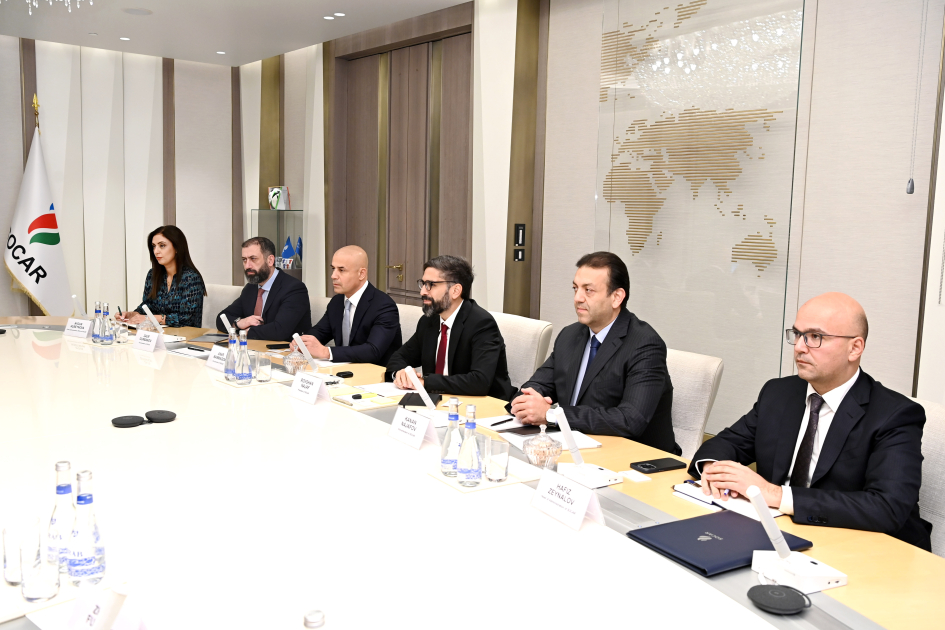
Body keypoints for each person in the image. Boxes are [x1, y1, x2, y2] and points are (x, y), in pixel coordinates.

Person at [691, 292, 931, 550]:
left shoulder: (895, 415)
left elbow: (886, 508)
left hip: (865, 549)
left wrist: (774, 494)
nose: (799, 347)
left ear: (855, 348)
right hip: (778, 534)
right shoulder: (779, 393)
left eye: (815, 337)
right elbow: (727, 444)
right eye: (797, 334)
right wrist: (715, 471)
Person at [510, 252, 676, 453]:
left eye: (588, 290)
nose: (577, 298)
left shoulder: (645, 345)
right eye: (575, 288)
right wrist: (529, 401)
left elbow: (630, 420)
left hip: (634, 457)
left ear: (616, 297)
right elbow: (539, 384)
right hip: (576, 446)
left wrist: (552, 415)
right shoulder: (570, 335)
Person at [386, 255, 512, 400]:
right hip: (438, 400)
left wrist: (425, 382)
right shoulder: (429, 321)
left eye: (431, 284)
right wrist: (400, 373)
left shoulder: (482, 324)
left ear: (455, 291)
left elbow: (479, 381)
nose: (423, 292)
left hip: (483, 405)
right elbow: (400, 357)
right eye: (423, 283)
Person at [290, 245, 402, 364]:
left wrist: (326, 352)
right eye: (333, 269)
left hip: (375, 372)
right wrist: (302, 342)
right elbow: (321, 332)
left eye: (341, 270)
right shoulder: (337, 302)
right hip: (343, 369)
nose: (333, 276)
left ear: (361, 274)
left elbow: (373, 351)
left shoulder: (384, 306)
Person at [215, 236, 311, 341]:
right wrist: (239, 323)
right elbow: (222, 318)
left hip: (285, 349)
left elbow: (279, 331)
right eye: (244, 260)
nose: (247, 266)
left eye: (253, 259)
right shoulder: (251, 288)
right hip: (252, 347)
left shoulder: (294, 288)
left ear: (270, 260)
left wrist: (246, 332)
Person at [119, 225, 206, 328]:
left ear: (177, 248)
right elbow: (148, 306)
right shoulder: (153, 274)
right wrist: (133, 314)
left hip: (186, 335)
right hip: (159, 334)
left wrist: (152, 318)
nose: (156, 251)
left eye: (162, 246)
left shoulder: (191, 278)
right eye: (154, 246)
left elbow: (186, 319)